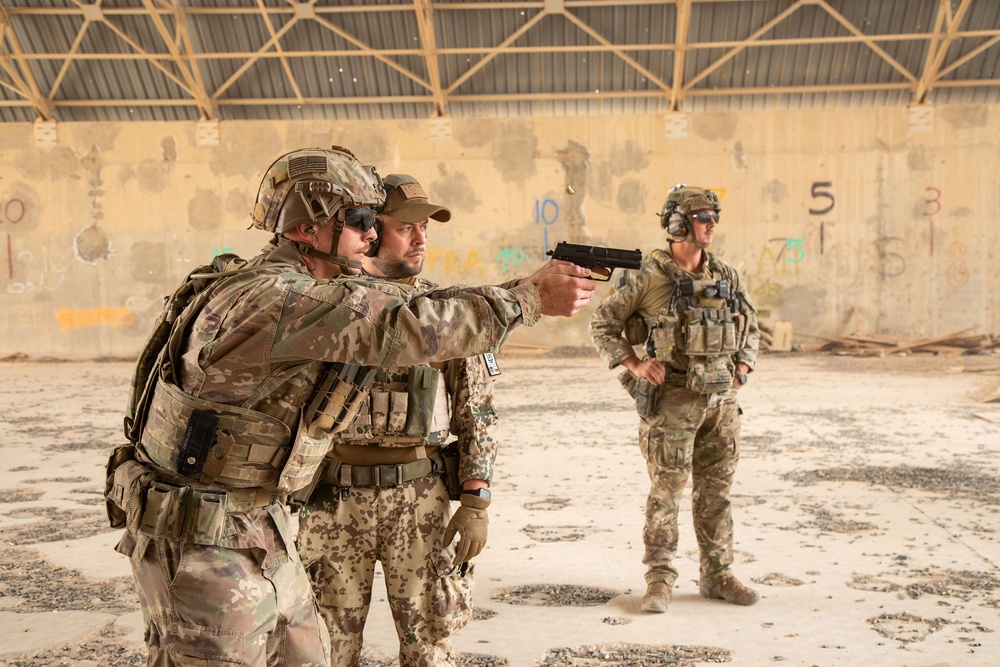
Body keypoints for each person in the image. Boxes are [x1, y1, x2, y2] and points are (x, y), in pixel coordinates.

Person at [104, 146, 597, 666]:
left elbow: (415, 318)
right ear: (304, 230)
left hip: (256, 527)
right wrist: (528, 298)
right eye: (359, 220)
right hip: (208, 541)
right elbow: (405, 325)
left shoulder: (280, 288)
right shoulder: (283, 299)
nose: (372, 234)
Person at [297, 174, 498, 666]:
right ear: (368, 228)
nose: (420, 236)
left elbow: (478, 408)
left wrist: (476, 498)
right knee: (325, 648)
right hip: (331, 500)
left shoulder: (443, 310)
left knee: (427, 645)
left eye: (425, 226)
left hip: (419, 499)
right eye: (406, 226)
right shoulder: (325, 304)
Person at [589, 184, 761, 613]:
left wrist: (742, 368)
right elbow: (603, 324)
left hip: (721, 405)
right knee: (666, 492)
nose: (712, 225)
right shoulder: (648, 276)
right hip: (673, 403)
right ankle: (660, 579)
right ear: (678, 224)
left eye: (714, 217)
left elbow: (752, 326)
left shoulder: (725, 274)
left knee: (716, 494)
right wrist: (634, 364)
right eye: (704, 217)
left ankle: (718, 575)